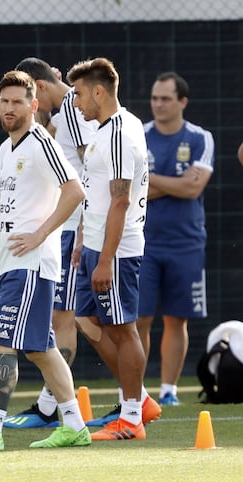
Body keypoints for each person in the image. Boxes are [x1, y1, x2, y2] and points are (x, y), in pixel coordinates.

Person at [0, 70, 91, 450]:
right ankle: (74, 425)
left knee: (0, 344)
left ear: (34, 104)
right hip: (10, 261)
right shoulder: (6, 149)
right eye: (4, 102)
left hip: (32, 263)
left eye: (17, 102)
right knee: (41, 349)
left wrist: (41, 235)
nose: (9, 108)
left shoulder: (42, 143)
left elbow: (74, 192)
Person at [3, 57, 98, 429]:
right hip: (66, 230)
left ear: (37, 91)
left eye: (21, 98)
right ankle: (60, 408)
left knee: (64, 321)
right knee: (64, 322)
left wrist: (86, 229)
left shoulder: (72, 111)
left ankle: (57, 409)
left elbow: (91, 171)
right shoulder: (62, 116)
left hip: (73, 230)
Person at [65, 57, 156, 441]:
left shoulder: (120, 132)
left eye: (80, 94)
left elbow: (120, 201)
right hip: (95, 246)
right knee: (86, 321)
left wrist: (104, 259)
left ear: (99, 92)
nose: (76, 102)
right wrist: (84, 237)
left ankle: (132, 417)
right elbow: (97, 193)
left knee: (122, 329)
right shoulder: (105, 128)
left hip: (115, 251)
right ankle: (142, 399)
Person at [137, 72, 215, 405]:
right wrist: (174, 183)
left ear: (182, 102)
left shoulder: (200, 138)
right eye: (155, 98)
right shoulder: (138, 135)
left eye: (166, 98)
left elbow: (193, 188)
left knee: (176, 318)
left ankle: (168, 391)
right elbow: (129, 188)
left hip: (186, 242)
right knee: (137, 319)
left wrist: (150, 179)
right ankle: (134, 393)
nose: (158, 104)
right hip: (142, 242)